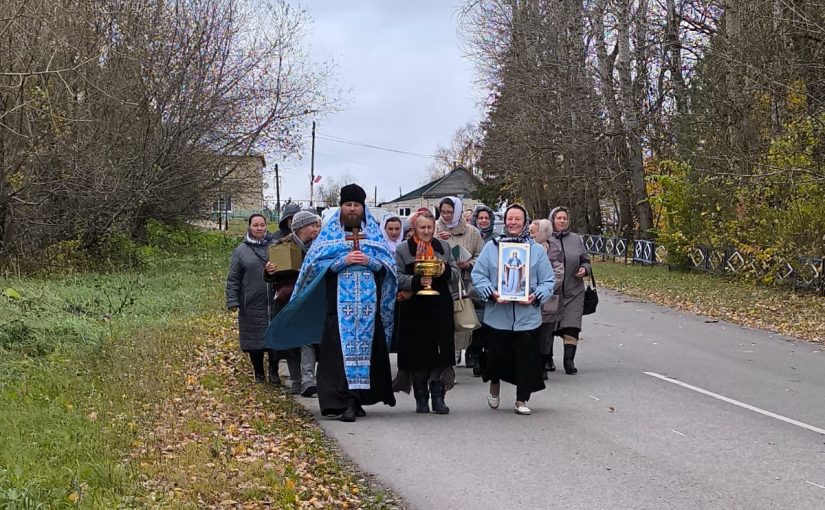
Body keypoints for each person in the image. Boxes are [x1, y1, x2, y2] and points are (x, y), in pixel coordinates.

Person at [264, 184, 397, 422]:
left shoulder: (374, 235)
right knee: (337, 355)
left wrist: (370, 261)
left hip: (368, 308)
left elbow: (388, 267)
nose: (352, 209)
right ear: (341, 207)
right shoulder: (328, 236)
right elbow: (312, 267)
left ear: (363, 208)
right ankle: (343, 402)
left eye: (357, 205)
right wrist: (340, 262)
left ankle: (357, 400)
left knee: (367, 353)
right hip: (338, 309)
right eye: (348, 205)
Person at [471, 204, 554, 415]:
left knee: (526, 359)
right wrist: (492, 293)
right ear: (505, 221)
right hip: (498, 315)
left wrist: (536, 296)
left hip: (527, 317)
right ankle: (495, 384)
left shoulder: (535, 250)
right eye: (510, 219)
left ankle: (521, 399)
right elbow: (478, 275)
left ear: (525, 222)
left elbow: (548, 281)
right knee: (496, 356)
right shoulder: (492, 247)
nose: (513, 223)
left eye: (518, 219)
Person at [393, 210, 459, 414]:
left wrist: (444, 271)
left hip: (440, 307)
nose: (427, 231)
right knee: (418, 353)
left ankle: (438, 396)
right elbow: (396, 277)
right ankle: (421, 396)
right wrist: (415, 281)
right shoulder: (404, 250)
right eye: (422, 227)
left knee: (441, 352)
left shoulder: (444, 247)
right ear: (414, 228)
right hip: (415, 309)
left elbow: (456, 275)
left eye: (430, 227)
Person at [264, 210, 322, 395]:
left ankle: (307, 380)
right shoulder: (283, 246)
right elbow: (271, 276)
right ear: (300, 227)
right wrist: (269, 271)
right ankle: (297, 380)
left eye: (317, 225)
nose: (316, 229)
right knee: (292, 340)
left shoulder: (320, 246)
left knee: (308, 339)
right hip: (289, 299)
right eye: (312, 225)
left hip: (311, 299)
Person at [226, 214, 281, 384]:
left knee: (275, 338)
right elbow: (233, 278)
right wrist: (232, 301)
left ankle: (274, 371)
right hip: (251, 302)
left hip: (274, 300)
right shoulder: (241, 251)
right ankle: (259, 373)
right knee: (253, 339)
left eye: (262, 225)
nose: (259, 228)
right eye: (255, 225)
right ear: (249, 227)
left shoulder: (276, 247)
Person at [435, 196, 484, 367]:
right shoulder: (433, 228)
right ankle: (446, 356)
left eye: (450, 212)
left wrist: (469, 263)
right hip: (440, 281)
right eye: (443, 212)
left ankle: (461, 352)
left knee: (462, 317)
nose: (446, 216)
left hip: (463, 282)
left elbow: (481, 256)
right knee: (443, 320)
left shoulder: (472, 232)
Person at [544, 207, 591, 375]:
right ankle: (547, 358)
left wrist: (585, 269)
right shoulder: (545, 239)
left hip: (574, 290)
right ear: (552, 220)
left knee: (572, 326)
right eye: (559, 218)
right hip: (552, 292)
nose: (562, 221)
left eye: (565, 218)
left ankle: (569, 361)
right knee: (549, 327)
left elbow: (585, 259)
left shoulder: (576, 239)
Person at [530, 219, 565, 378]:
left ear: (543, 232)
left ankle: (543, 364)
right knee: (531, 335)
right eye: (530, 231)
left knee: (545, 336)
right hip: (529, 299)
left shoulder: (554, 250)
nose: (531, 234)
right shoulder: (526, 247)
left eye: (534, 231)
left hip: (548, 300)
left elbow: (558, 273)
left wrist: (545, 288)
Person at [466, 204, 497, 376]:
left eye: (486, 218)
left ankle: (486, 358)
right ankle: (475, 354)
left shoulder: (498, 238)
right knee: (476, 322)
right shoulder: (471, 236)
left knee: (490, 324)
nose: (484, 221)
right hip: (473, 283)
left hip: (493, 285)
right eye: (480, 218)